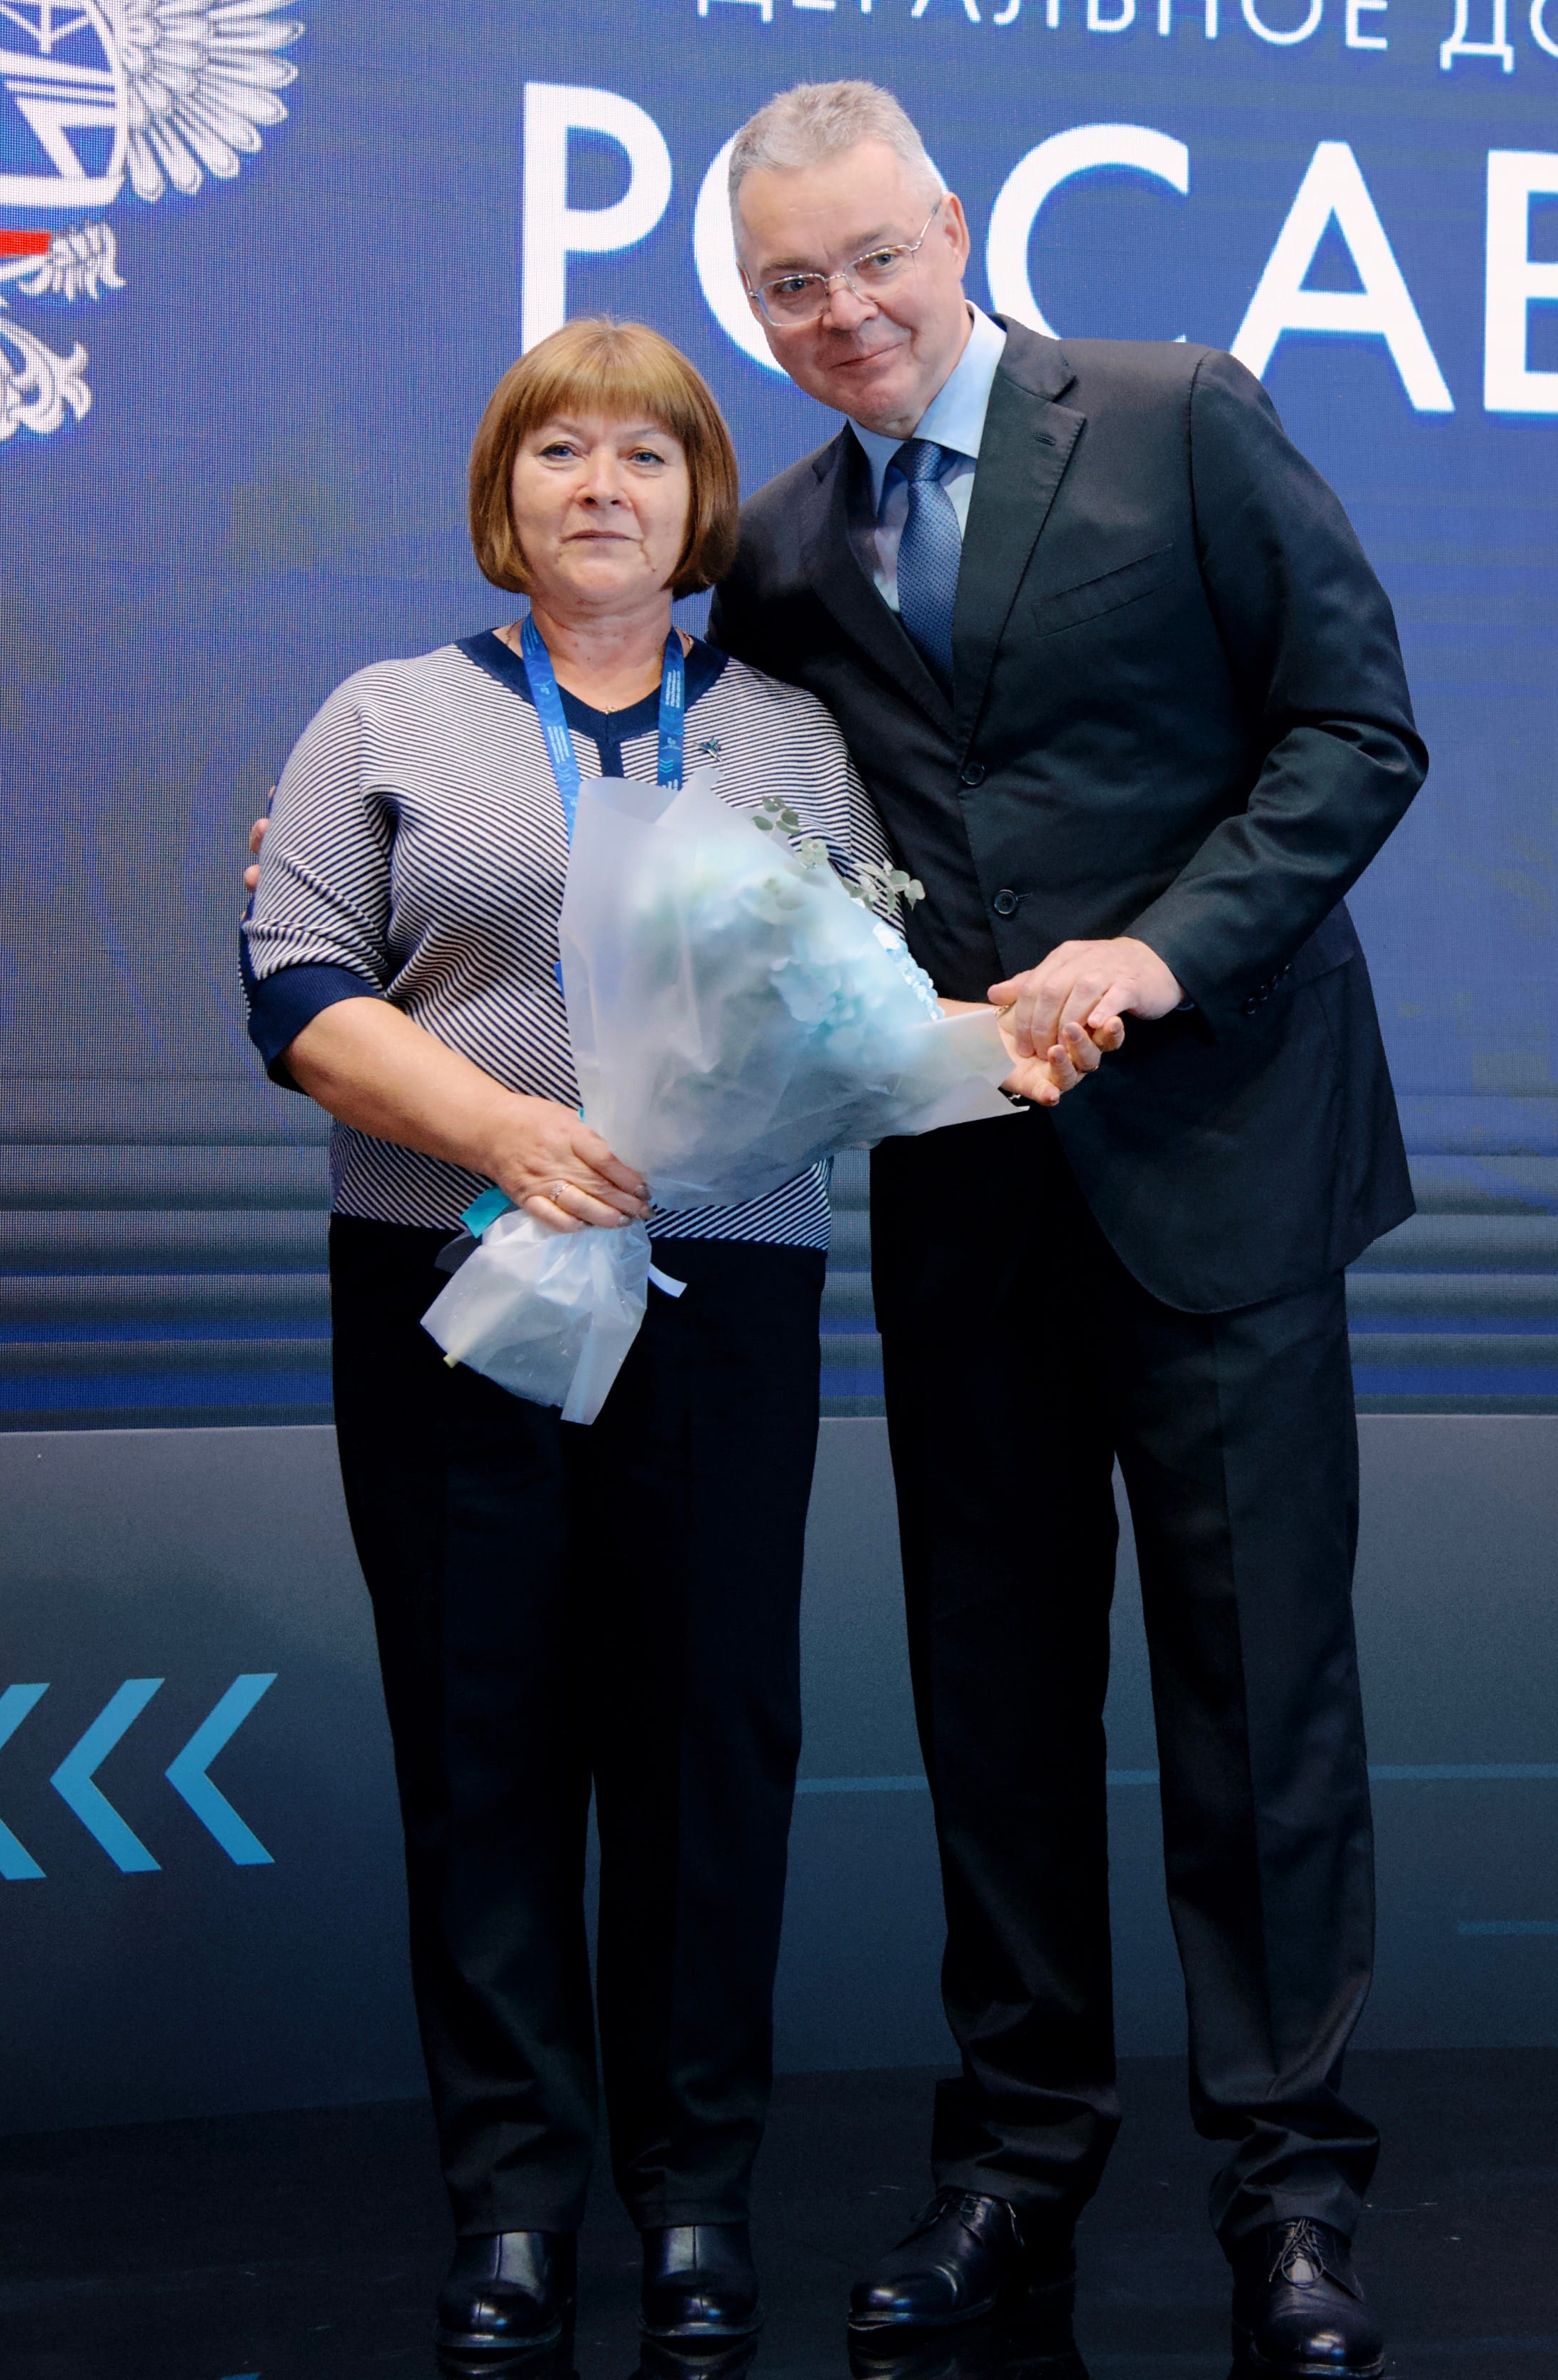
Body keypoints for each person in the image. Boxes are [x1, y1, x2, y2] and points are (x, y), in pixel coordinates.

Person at [237, 315, 1087, 2366]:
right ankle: (514, 2208)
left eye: (646, 455)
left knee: (710, 1747)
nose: (602, 487)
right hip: (450, 1283)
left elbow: (863, 1004)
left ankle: (696, 2197)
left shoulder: (787, 733)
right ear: (502, 493)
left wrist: (1016, 1036)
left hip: (722, 1293)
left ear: (703, 502)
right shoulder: (385, 716)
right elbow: (296, 991)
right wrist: (508, 1134)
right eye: (560, 452)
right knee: (486, 1744)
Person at [704, 80, 1426, 2378]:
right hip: (968, 1202)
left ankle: (1291, 2190)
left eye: (870, 259)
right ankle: (1015, 2161)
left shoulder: (1182, 416)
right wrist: (399, 844)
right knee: (993, 1707)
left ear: (954, 225)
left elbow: (1353, 733)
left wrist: (1161, 954)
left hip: (1225, 1162)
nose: (842, 311)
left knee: (1259, 1700)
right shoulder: (781, 548)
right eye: (790, 285)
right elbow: (702, 809)